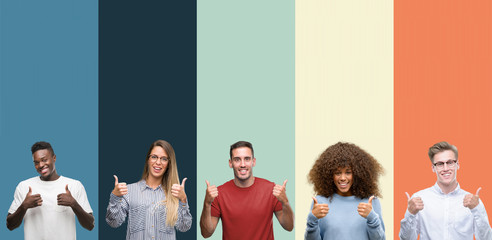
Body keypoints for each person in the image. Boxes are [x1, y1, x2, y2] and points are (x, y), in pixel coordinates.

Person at [200, 140, 294, 239]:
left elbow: (289, 227)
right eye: (237, 159)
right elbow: (206, 233)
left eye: (247, 159)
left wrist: (285, 202)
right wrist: (207, 204)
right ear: (230, 163)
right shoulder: (219, 193)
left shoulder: (271, 189)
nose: (243, 164)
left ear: (253, 162)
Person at [399, 141, 492, 240]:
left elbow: (487, 238)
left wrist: (477, 209)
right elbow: (406, 239)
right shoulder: (419, 199)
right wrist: (410, 214)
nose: (446, 168)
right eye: (440, 164)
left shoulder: (473, 202)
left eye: (450, 162)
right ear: (433, 168)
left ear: (457, 165)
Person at [7, 141, 94, 240]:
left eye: (44, 160)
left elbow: (90, 225)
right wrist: (24, 206)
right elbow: (10, 225)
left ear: (54, 158)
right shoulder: (24, 186)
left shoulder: (74, 185)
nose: (40, 165)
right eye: (36, 162)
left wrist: (74, 204)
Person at [106, 139, 191, 240]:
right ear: (148, 160)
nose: (158, 162)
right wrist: (115, 197)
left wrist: (183, 201)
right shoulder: (129, 191)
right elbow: (113, 223)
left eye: (164, 159)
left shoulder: (175, 193)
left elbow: (184, 227)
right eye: (154, 157)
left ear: (169, 164)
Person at [304, 142, 385, 240]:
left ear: (357, 173)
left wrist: (372, 219)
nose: (342, 178)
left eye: (348, 172)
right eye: (337, 173)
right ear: (330, 175)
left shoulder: (370, 201)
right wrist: (312, 221)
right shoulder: (320, 202)